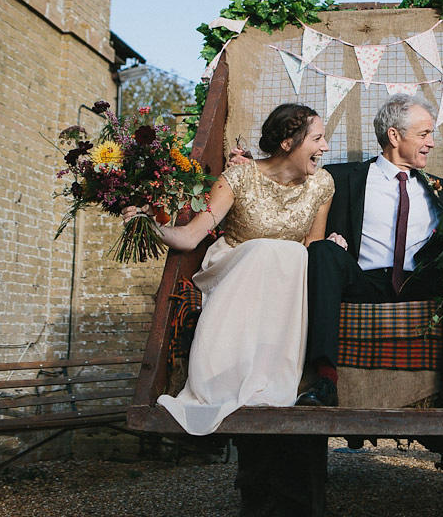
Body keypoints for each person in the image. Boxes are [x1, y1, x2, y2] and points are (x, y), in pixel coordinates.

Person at [121, 103, 342, 436]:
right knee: (270, 249)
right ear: (287, 143)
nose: (324, 147)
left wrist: (332, 248)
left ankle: (268, 381)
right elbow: (192, 234)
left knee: (293, 254)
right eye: (317, 138)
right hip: (233, 266)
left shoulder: (322, 185)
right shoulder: (238, 177)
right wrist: (151, 225)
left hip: (284, 280)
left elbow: (312, 246)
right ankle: (221, 380)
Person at [296, 94, 443, 410]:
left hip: (419, 280)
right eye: (424, 134)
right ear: (395, 136)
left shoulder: (438, 187)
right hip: (361, 279)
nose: (432, 142)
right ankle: (324, 380)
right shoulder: (342, 177)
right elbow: (292, 197)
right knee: (322, 252)